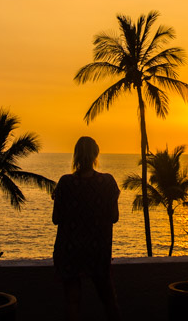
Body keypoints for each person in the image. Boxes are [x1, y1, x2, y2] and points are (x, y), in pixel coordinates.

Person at [52, 136, 122, 321]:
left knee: (72, 301)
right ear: (96, 155)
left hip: (70, 250)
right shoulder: (107, 183)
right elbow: (114, 217)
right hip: (98, 250)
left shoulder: (65, 183)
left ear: (76, 155)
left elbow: (55, 219)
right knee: (109, 300)